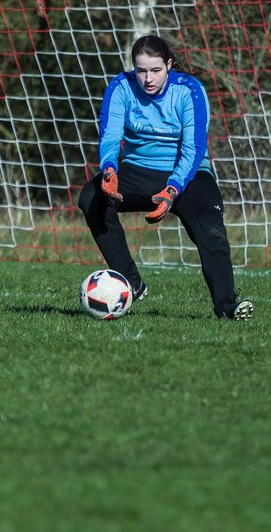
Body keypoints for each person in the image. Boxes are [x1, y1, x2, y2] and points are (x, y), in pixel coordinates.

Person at [78, 34, 253, 321]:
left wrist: (172, 190)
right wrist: (109, 169)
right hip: (136, 171)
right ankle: (131, 282)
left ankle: (226, 306)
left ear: (169, 65)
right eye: (141, 70)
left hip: (188, 175)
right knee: (90, 197)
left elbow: (193, 149)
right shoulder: (121, 87)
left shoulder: (190, 91)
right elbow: (110, 137)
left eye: (156, 70)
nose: (148, 78)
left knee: (211, 233)